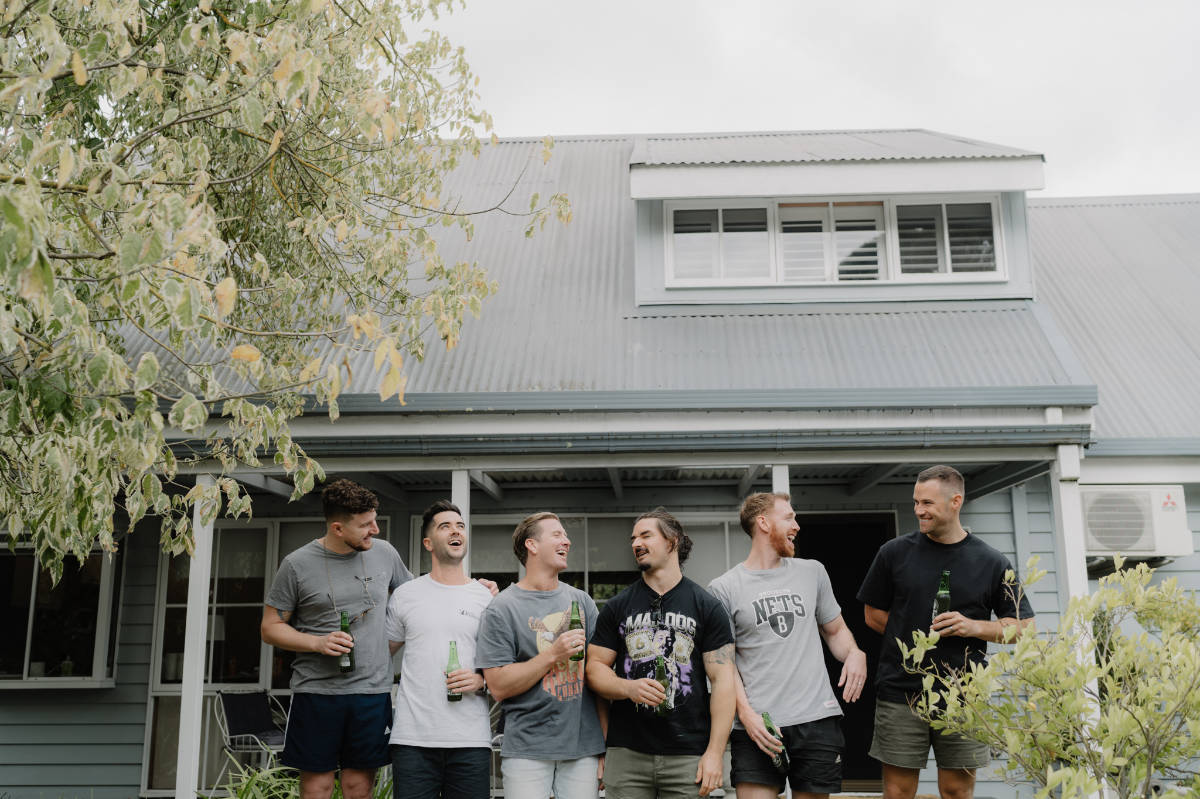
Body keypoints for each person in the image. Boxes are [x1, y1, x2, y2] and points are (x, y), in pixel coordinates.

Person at [857, 465, 1036, 799]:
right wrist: (910, 637)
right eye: (915, 502)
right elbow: (872, 614)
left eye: (927, 503)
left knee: (956, 791)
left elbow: (1024, 628)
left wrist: (974, 627)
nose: (918, 511)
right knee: (897, 791)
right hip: (902, 691)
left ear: (956, 501)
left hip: (965, 695)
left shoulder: (992, 562)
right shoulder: (894, 553)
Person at [708, 493, 868, 799]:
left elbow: (835, 631)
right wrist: (747, 715)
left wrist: (855, 653)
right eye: (789, 517)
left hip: (816, 718)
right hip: (757, 727)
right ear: (764, 523)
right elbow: (723, 664)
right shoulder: (724, 588)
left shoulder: (813, 572)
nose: (797, 525)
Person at [261, 478, 412, 799]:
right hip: (317, 692)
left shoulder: (385, 554)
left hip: (372, 693)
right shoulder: (296, 564)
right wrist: (317, 643)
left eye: (375, 520)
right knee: (318, 787)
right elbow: (270, 627)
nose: (376, 530)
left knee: (359, 787)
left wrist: (473, 587)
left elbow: (414, 601)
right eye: (365, 525)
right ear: (337, 528)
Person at [586, 507, 736, 799]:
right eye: (633, 538)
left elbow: (723, 682)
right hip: (627, 753)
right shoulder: (618, 606)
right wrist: (628, 687)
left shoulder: (706, 606)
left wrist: (715, 753)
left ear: (672, 542)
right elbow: (594, 669)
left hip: (689, 755)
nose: (636, 543)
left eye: (645, 535)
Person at [476, 512, 607, 799]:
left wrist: (604, 745)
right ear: (532, 545)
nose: (567, 541)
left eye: (566, 535)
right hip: (526, 750)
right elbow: (498, 685)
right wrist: (553, 655)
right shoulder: (502, 608)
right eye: (557, 534)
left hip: (583, 749)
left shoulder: (581, 601)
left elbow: (598, 677)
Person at [386, 500, 494, 799]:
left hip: (470, 740)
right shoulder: (406, 595)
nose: (455, 531)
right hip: (413, 741)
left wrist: (482, 680)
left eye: (460, 526)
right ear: (427, 542)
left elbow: (504, 665)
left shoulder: (486, 598)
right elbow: (381, 656)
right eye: (444, 526)